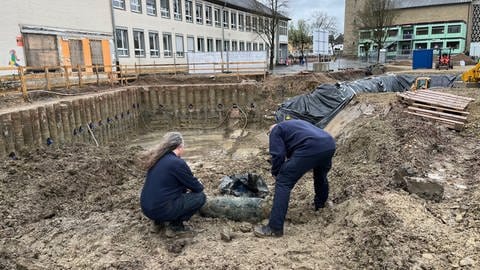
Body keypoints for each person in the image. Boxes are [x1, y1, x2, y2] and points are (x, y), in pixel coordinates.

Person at [254, 119, 336, 237]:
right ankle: (321, 205)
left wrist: (276, 172)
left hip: (311, 147)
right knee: (320, 175)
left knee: (283, 181)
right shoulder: (295, 124)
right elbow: (296, 147)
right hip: (329, 144)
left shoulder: (276, 130)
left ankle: (274, 228)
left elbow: (278, 155)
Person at [140, 132, 206, 233]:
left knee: (165, 191)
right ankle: (175, 227)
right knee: (200, 197)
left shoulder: (157, 158)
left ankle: (157, 223)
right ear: (179, 147)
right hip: (162, 209)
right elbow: (197, 188)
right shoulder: (177, 163)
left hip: (147, 208)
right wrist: (199, 183)